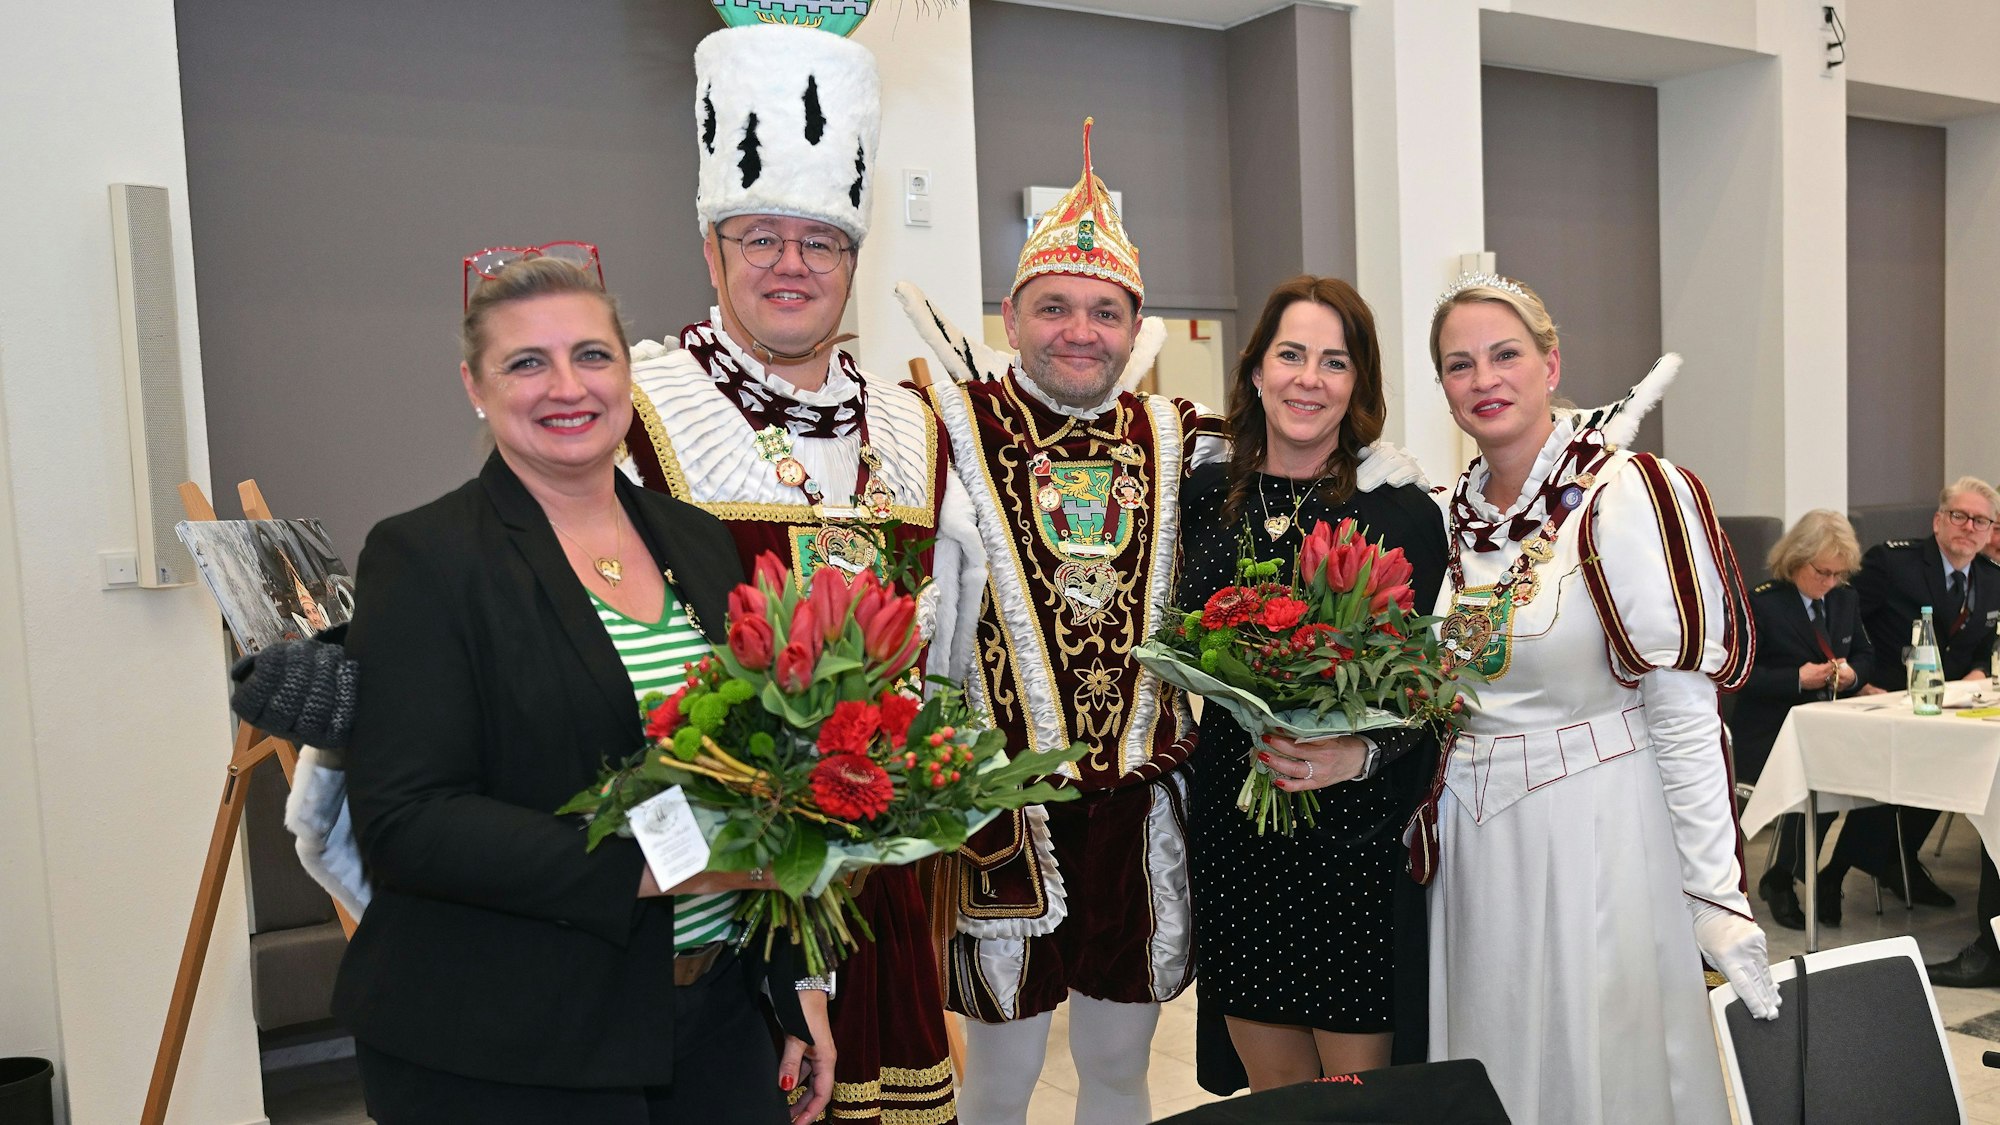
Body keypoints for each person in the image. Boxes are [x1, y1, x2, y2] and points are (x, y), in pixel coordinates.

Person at [333, 252, 832, 1123]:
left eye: (592, 355)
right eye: (527, 362)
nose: (568, 385)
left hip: (716, 1019)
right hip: (515, 1042)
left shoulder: (698, 539)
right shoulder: (427, 558)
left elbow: (765, 782)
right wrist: (659, 867)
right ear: (474, 386)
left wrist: (796, 985)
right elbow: (409, 822)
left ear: (626, 373)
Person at [616, 22, 980, 1125]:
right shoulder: (638, 408)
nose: (789, 264)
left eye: (818, 241)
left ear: (853, 260)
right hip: (720, 900)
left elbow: (950, 656)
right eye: (757, 236)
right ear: (711, 251)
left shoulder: (915, 431)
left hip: (881, 889)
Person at [905, 118, 1222, 1125]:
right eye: (1054, 307)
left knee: (1120, 1068)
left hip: (1138, 807)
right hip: (1002, 809)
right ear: (1010, 316)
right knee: (997, 1079)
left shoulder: (1178, 438)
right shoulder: (943, 425)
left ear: (1136, 325)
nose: (1079, 330)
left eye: (1104, 310)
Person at [1423, 274, 1777, 1125]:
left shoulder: (1629, 495)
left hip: (1599, 834)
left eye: (1506, 354)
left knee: (1603, 1070)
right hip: (1472, 853)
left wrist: (1716, 895)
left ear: (1552, 362)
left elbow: (1685, 713)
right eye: (1459, 364)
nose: (1485, 379)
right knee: (1488, 1062)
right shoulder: (1441, 515)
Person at [1175, 276, 1445, 1089]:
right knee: (1276, 1100)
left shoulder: (1398, 512)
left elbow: (1433, 693)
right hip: (1240, 833)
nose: (1309, 378)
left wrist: (1356, 752)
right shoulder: (1201, 498)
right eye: (1291, 355)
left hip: (1354, 847)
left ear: (1357, 382)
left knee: (1357, 1101)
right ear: (1256, 369)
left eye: (1334, 361)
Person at [1820, 477, 2000, 920]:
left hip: (1950, 708)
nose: (1968, 527)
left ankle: (1894, 861)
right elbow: (1842, 621)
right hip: (1881, 698)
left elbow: (1982, 644)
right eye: (1959, 515)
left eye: (1981, 520)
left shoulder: (1992, 579)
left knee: (1958, 768)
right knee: (1894, 777)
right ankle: (1836, 871)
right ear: (1938, 520)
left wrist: (1975, 676)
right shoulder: (1892, 563)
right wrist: (1857, 678)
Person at [1731, 510, 1875, 930]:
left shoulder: (1845, 598)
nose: (1830, 583)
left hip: (1829, 725)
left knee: (1859, 782)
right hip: (1770, 728)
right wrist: (1797, 678)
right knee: (1814, 780)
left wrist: (1852, 675)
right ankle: (1780, 881)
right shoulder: (1763, 602)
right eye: (1822, 573)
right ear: (1796, 560)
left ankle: (1793, 874)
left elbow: (1866, 655)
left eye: (1838, 574)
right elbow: (1741, 676)